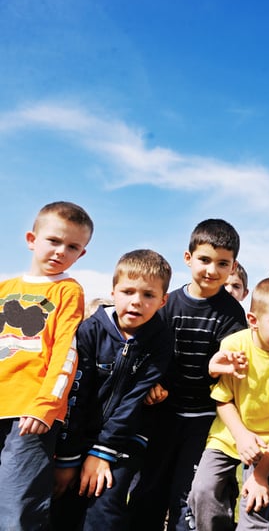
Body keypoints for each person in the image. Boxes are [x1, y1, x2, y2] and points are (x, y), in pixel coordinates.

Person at [128, 218, 249, 531]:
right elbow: (147, 351)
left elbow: (230, 364)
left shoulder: (231, 312)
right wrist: (152, 383)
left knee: (188, 497)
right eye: (204, 260)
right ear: (188, 258)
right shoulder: (167, 304)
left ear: (233, 265)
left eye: (222, 263)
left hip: (203, 420)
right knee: (149, 490)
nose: (211, 270)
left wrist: (223, 365)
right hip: (162, 415)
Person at [51, 249, 174, 530]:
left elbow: (133, 400)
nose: (136, 302)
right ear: (113, 291)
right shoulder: (90, 331)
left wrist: (102, 452)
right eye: (128, 291)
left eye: (148, 295)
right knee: (62, 506)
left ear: (163, 300)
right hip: (76, 435)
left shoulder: (161, 339)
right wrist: (68, 458)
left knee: (104, 505)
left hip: (124, 439)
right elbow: (76, 395)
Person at [187, 277, 269, 531]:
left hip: (268, 444)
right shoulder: (235, 345)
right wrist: (242, 436)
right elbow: (223, 399)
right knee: (203, 491)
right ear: (253, 320)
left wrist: (261, 474)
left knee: (255, 504)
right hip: (228, 434)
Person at [0, 200, 93, 531]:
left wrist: (46, 405)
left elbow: (66, 351)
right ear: (31, 239)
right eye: (53, 241)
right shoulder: (5, 288)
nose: (60, 251)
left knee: (18, 509)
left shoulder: (68, 291)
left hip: (31, 413)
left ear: (81, 254)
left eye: (72, 247)